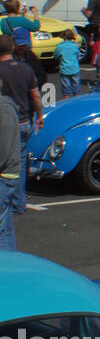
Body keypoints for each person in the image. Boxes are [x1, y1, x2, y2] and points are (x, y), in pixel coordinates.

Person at [0, 35, 42, 216]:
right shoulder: (25, 69)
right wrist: (39, 115)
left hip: (6, 122)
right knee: (20, 163)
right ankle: (19, 202)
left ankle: (7, 201)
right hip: (24, 121)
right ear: (11, 48)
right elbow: (35, 95)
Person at [0, 94, 20, 250]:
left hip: (4, 176)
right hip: (5, 175)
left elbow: (4, 150)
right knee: (4, 227)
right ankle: (11, 263)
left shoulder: (4, 109)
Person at [54, 30, 81, 99]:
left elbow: (56, 56)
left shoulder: (59, 46)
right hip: (75, 69)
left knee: (66, 88)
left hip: (64, 69)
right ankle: (76, 100)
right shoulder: (75, 46)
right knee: (76, 87)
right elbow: (79, 55)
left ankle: (66, 100)